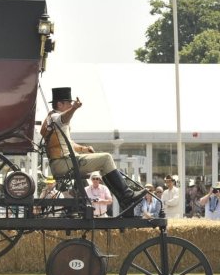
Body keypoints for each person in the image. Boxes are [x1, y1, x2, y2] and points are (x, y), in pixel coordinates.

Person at [41, 87, 146, 216]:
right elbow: (63, 118)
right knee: (106, 158)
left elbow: (67, 143)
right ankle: (127, 196)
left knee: (103, 162)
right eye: (68, 103)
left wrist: (83, 149)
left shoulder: (51, 119)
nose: (69, 105)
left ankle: (125, 198)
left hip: (63, 162)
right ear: (59, 104)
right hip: (64, 163)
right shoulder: (56, 117)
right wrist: (74, 108)